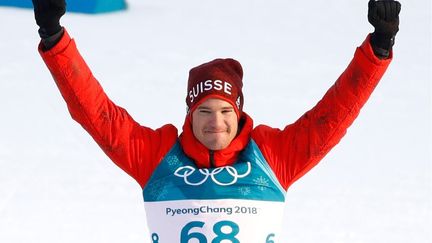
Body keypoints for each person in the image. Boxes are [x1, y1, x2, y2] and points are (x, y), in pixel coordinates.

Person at [32, 0, 401, 242]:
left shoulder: (271, 158)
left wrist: (378, 49)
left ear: (238, 113)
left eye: (226, 112)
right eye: (204, 112)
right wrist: (55, 38)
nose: (216, 124)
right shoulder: (157, 158)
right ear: (189, 113)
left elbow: (331, 117)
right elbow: (96, 114)